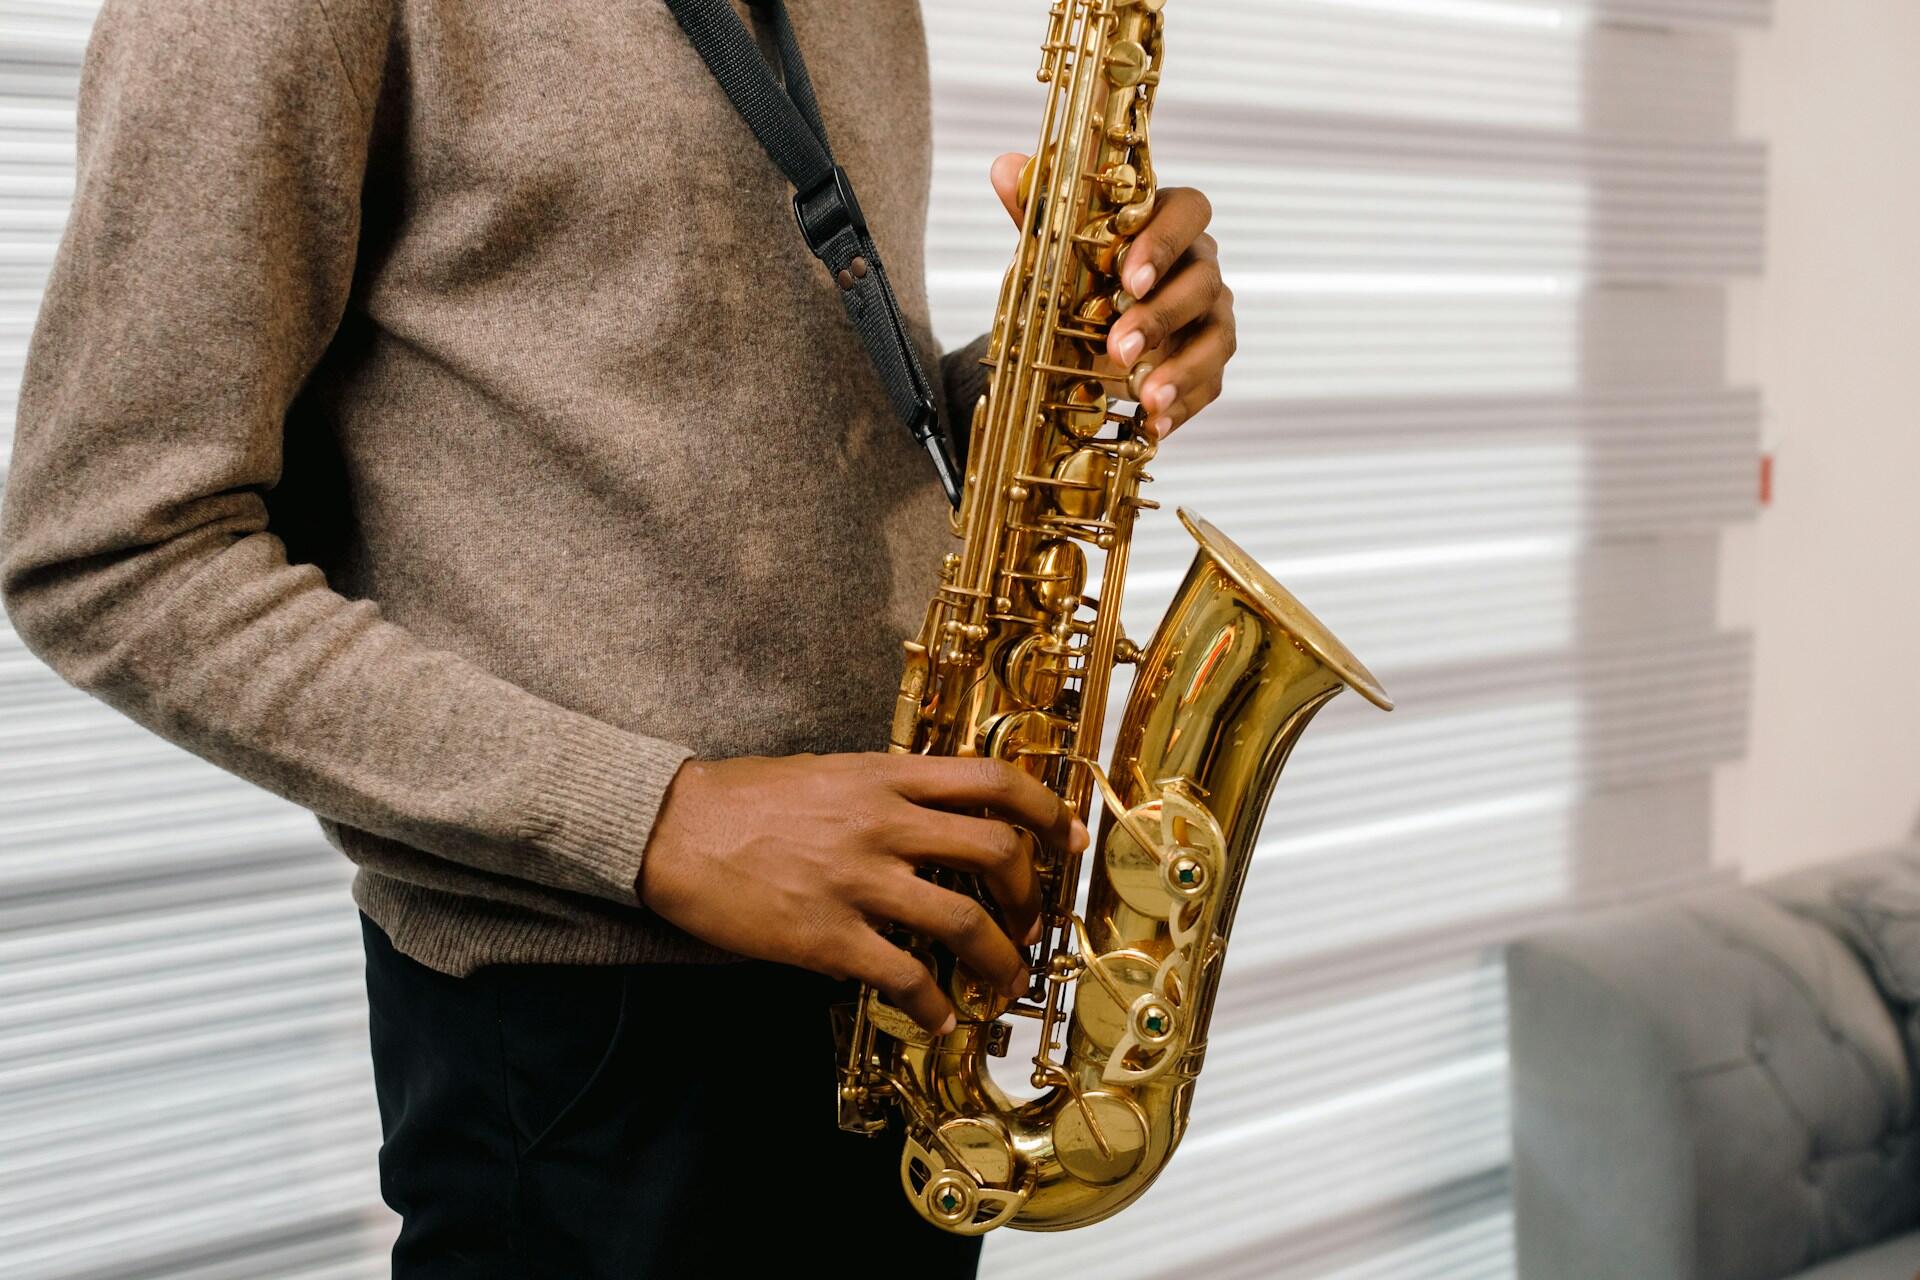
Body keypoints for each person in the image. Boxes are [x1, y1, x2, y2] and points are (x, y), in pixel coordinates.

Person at [0, 1, 1237, 1275]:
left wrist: (1062, 367)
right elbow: (106, 547)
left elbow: (712, 421)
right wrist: (660, 815)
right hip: (585, 1052)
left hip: (902, 987)